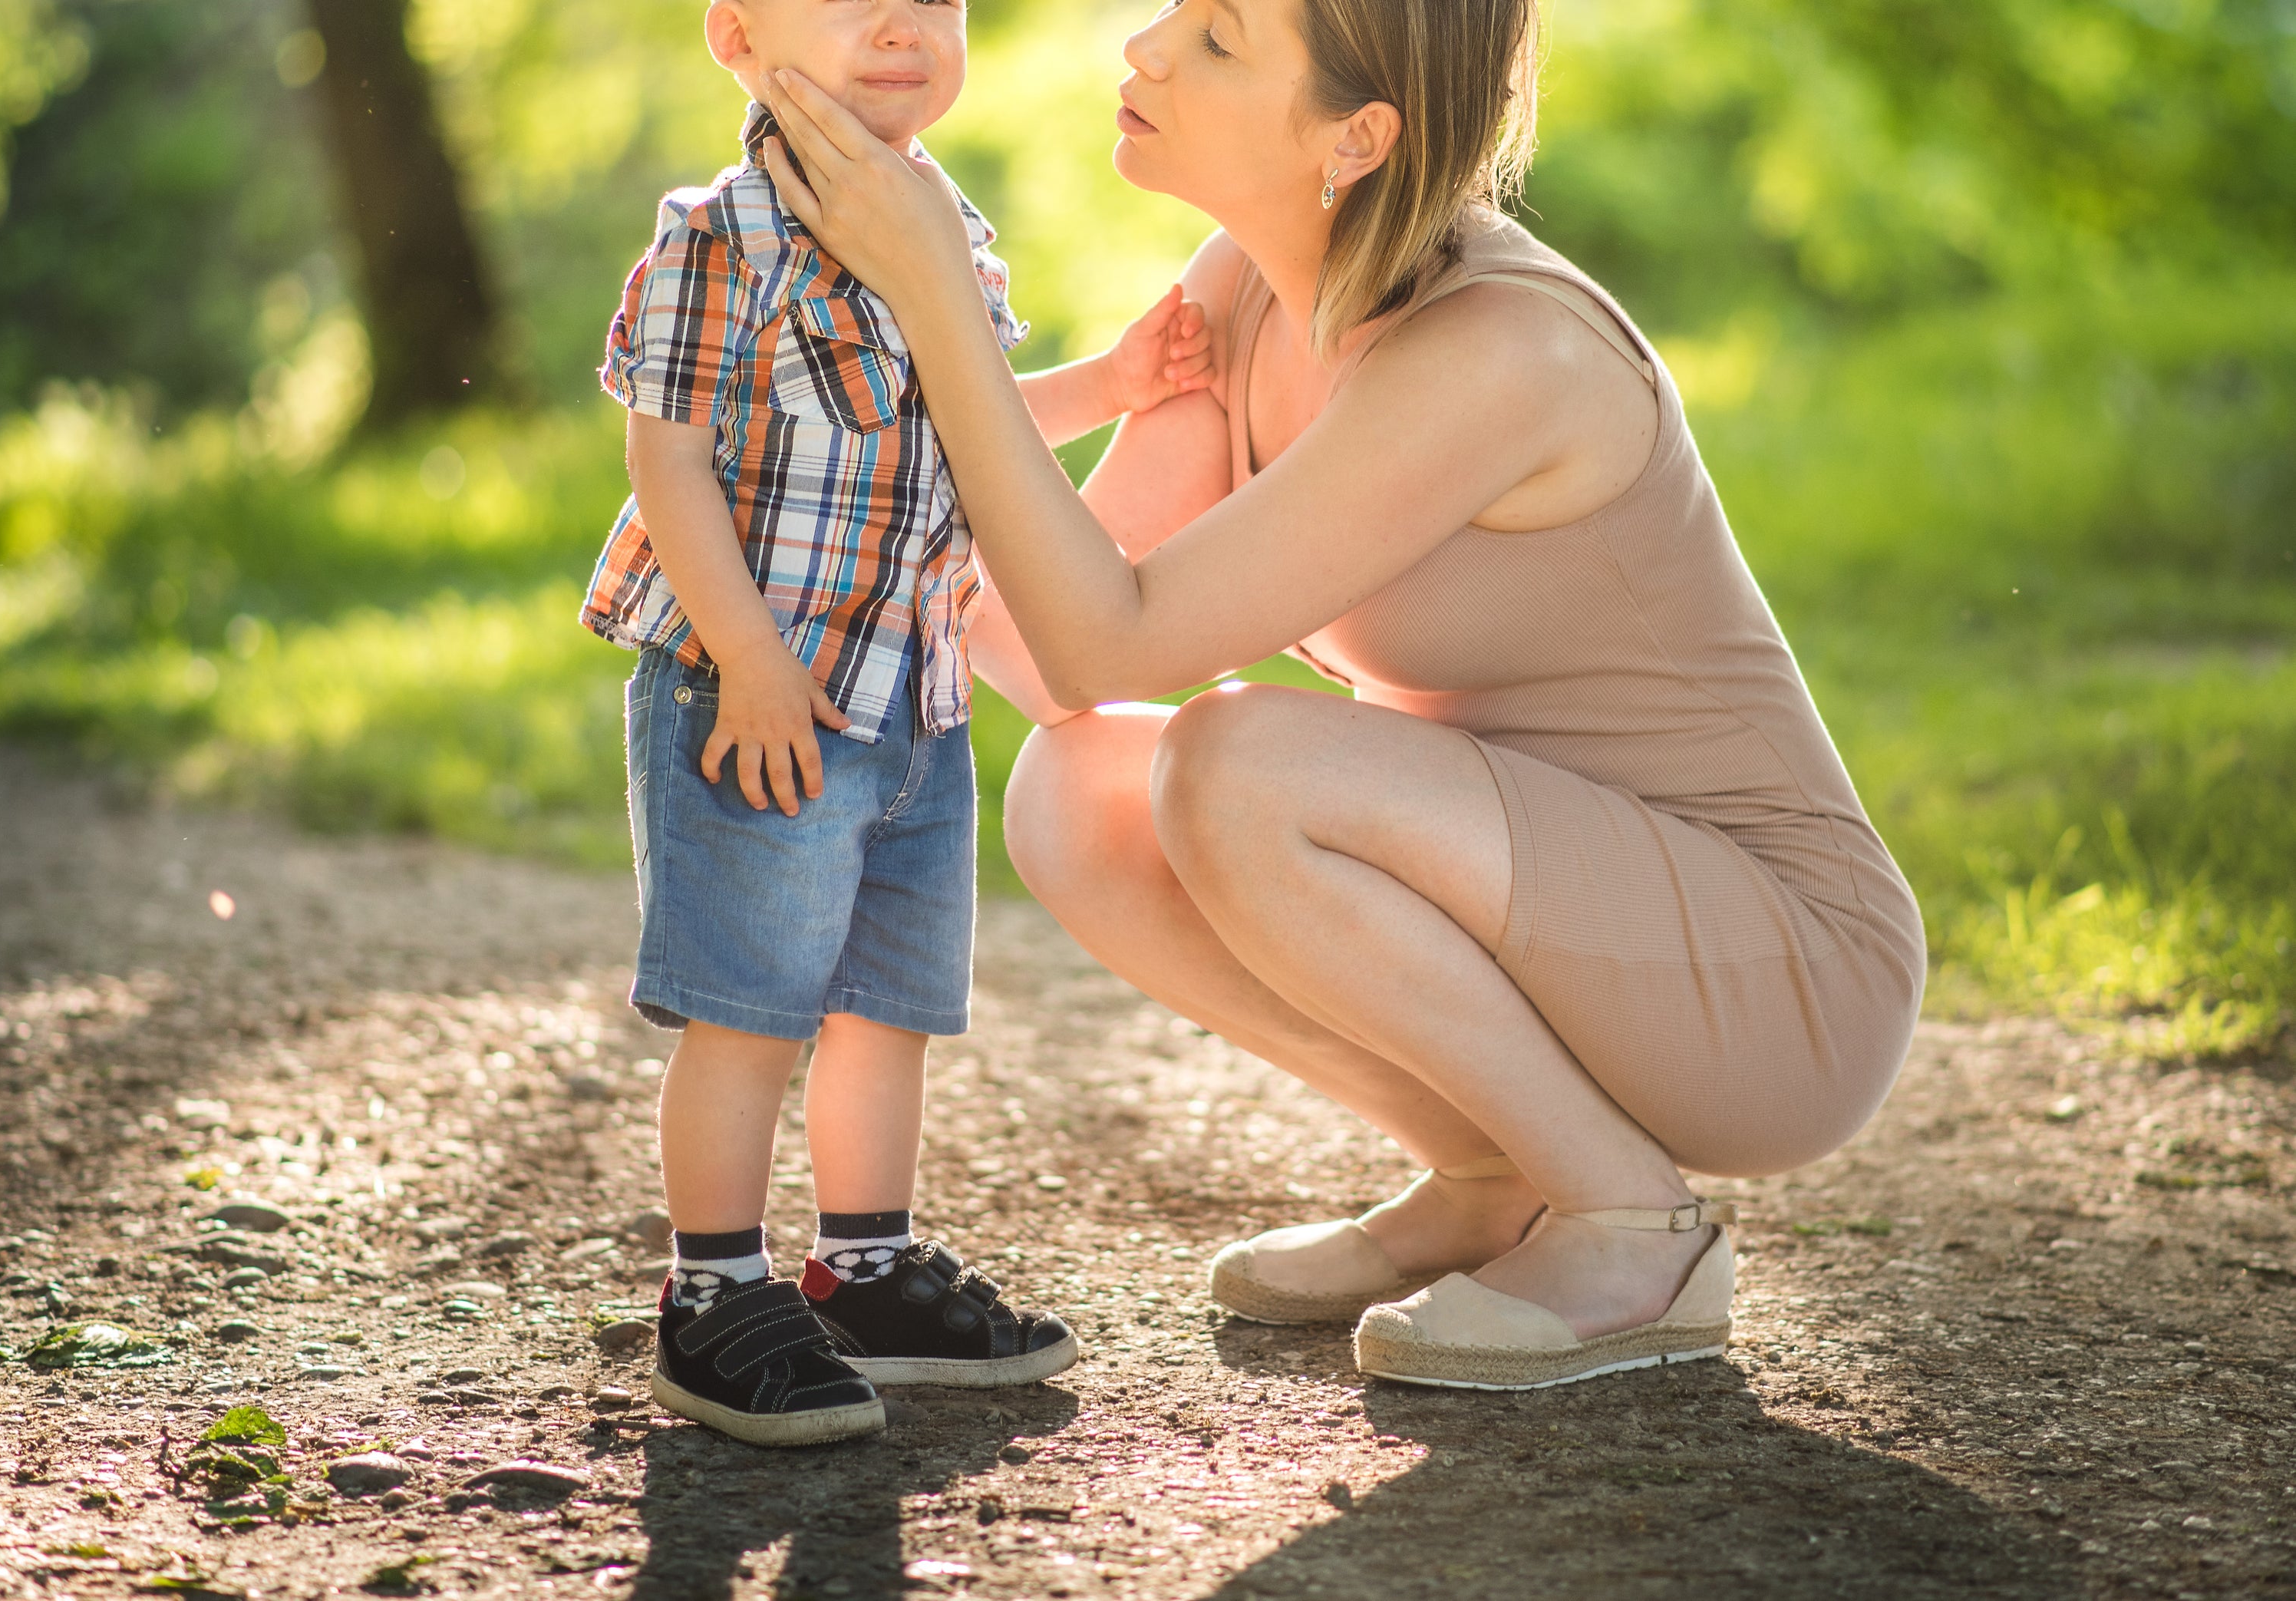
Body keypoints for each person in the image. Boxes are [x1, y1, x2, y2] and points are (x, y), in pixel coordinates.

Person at [749, 0, 1927, 1394]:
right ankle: (1498, 1173)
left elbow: (1109, 643)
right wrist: (802, 495)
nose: (1145, 50)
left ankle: (1632, 1229)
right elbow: (1042, 645)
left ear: (1358, 136)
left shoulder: (1501, 351)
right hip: (1553, 900)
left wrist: (940, 297)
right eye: (1174, 14)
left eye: (1221, 40)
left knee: (1235, 760)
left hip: (1773, 974)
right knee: (1081, 790)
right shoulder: (1244, 286)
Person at [582, 0, 1214, 1444]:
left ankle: (863, 1264)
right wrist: (745, 654)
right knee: (751, 1013)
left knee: (886, 1005)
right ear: (735, 37)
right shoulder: (719, 232)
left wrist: (1111, 388)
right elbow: (665, 463)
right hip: (768, 698)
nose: (901, 20)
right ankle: (713, 1295)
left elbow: (967, 417)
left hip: (913, 699)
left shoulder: (949, 223)